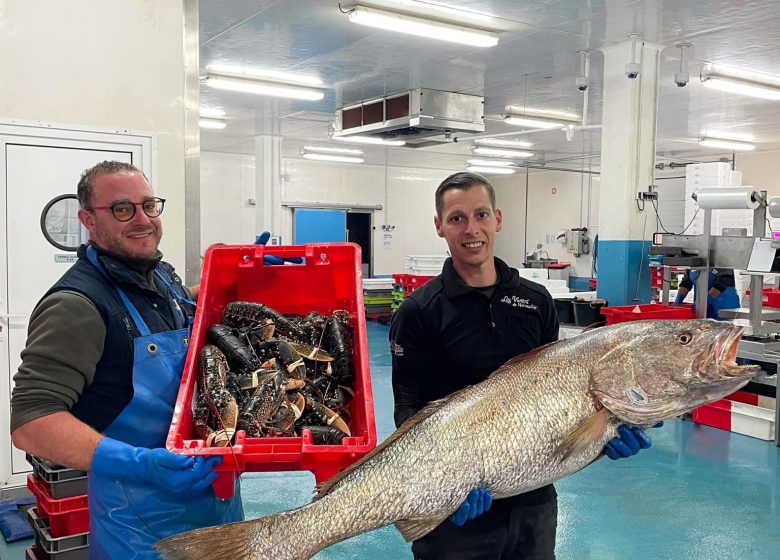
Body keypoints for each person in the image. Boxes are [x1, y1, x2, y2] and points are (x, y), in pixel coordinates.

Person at [390, 171, 654, 560]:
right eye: (457, 218)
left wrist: (605, 432)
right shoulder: (419, 311)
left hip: (534, 500)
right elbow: (408, 408)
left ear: (497, 219)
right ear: (439, 227)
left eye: (480, 215)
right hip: (456, 507)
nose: (471, 229)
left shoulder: (535, 301)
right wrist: (442, 488)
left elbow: (557, 396)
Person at [10, 161, 243, 559]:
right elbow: (31, 421)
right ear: (88, 219)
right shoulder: (76, 305)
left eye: (149, 205)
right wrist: (139, 463)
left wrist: (244, 274)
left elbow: (184, 304)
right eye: (122, 209)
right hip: (141, 525)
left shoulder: (158, 274)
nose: (142, 219)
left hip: (217, 501)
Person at [674, 268, 740, 319]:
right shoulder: (691, 263)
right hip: (703, 309)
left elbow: (721, 283)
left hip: (725, 307)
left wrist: (705, 302)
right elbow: (685, 283)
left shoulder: (720, 260)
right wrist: (677, 303)